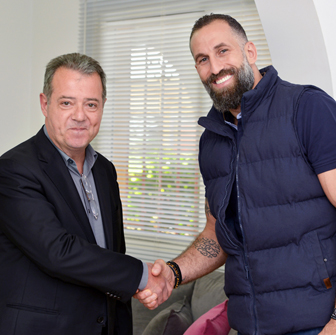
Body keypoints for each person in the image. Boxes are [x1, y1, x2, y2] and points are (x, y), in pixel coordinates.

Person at [135, 14, 336, 335]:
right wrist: (173, 272)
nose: (214, 68)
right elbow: (218, 234)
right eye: (202, 59)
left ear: (250, 52)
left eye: (223, 51)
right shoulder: (211, 141)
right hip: (248, 325)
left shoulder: (307, 108)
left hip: (315, 325)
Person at [0, 53, 171, 335]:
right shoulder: (14, 170)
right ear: (45, 104)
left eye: (91, 104)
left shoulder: (105, 170)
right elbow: (58, 251)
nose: (80, 116)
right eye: (66, 103)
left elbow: (112, 255)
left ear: (102, 106)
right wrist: (143, 276)